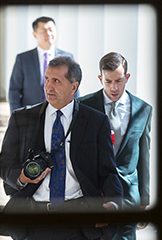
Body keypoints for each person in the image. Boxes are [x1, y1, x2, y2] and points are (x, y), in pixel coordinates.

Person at [0, 56, 123, 240]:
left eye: (56, 81)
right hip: (33, 221)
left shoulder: (96, 122)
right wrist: (21, 176)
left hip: (79, 222)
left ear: (74, 87)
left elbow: (108, 172)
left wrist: (113, 204)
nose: (48, 86)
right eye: (47, 79)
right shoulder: (22, 119)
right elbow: (3, 164)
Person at [78, 52, 152, 240]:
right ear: (100, 78)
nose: (114, 87)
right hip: (96, 193)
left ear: (127, 77)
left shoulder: (143, 109)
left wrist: (144, 197)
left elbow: (144, 155)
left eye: (119, 80)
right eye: (108, 81)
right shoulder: (84, 106)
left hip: (129, 194)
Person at [8, 16, 78, 112]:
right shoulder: (23, 59)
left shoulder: (67, 57)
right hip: (31, 114)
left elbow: (74, 88)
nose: (48, 33)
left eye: (51, 29)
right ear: (35, 34)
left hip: (61, 112)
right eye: (43, 31)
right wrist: (16, 115)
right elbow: (14, 90)